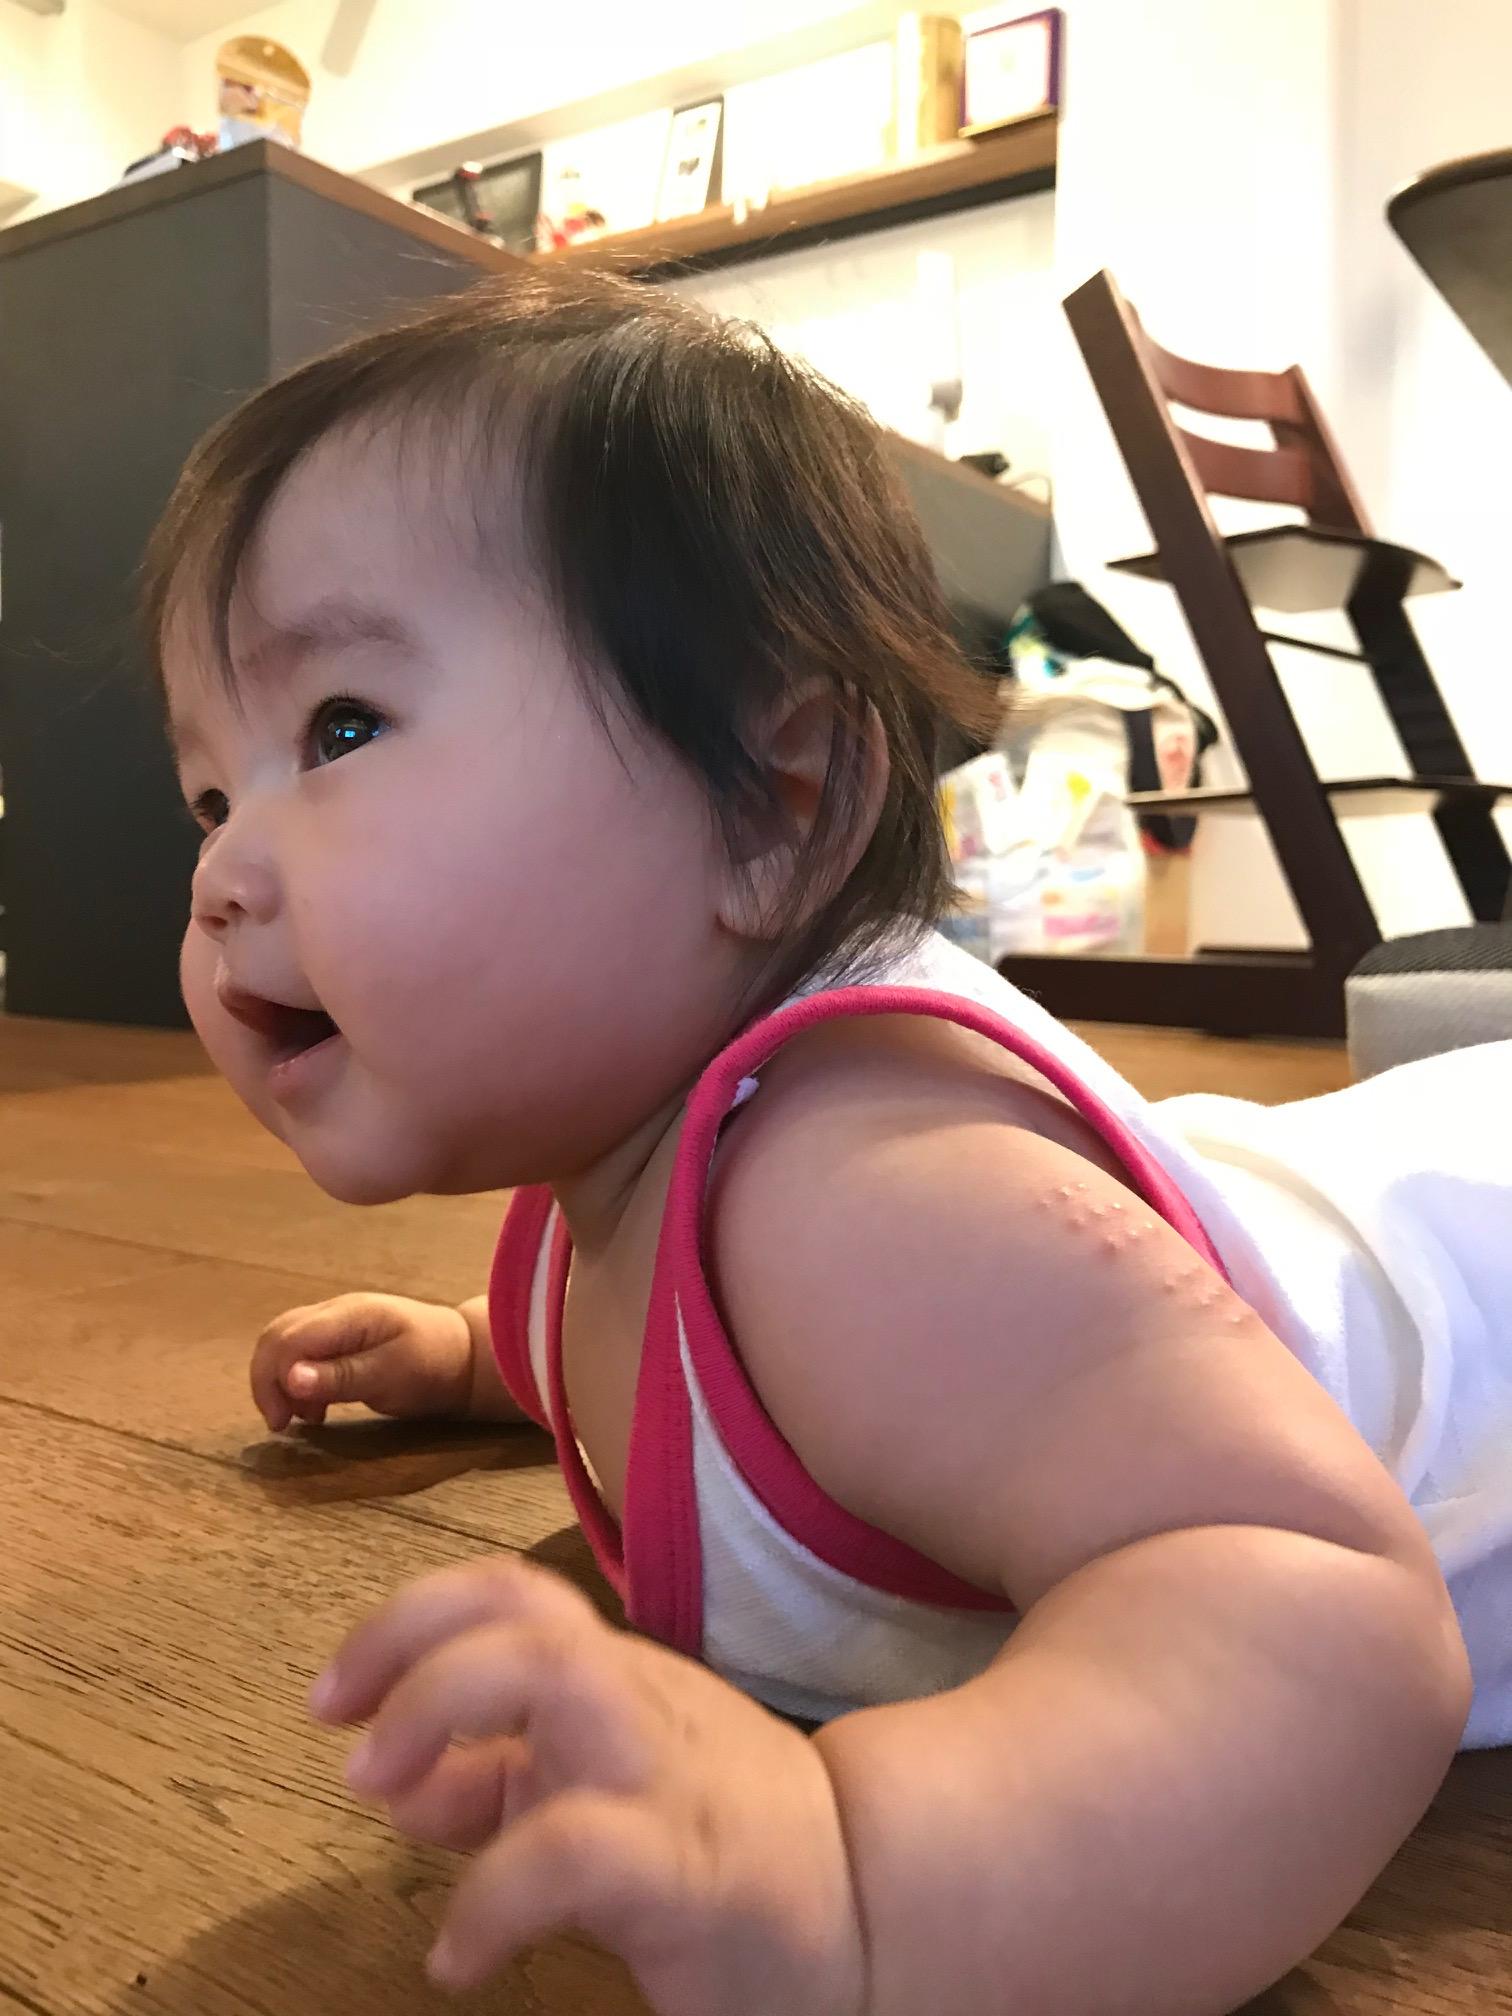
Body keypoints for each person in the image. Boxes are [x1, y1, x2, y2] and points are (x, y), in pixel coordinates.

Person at [147, 267, 1507, 2015]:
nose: (221, 871)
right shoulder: (610, 1182)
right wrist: (489, 1361)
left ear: (774, 807)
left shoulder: (870, 1205)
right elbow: (733, 1373)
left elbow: (1328, 1608)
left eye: (339, 729)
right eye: (210, 793)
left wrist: (856, 1871)